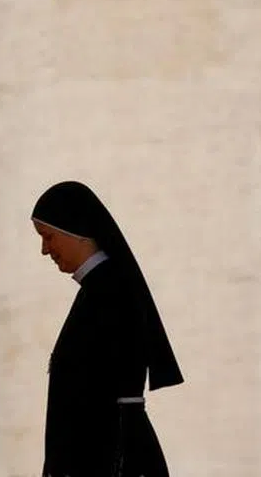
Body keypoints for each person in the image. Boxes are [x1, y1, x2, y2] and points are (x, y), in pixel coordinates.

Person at [31, 180, 183, 477]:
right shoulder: (99, 288)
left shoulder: (111, 290)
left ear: (74, 232)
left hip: (111, 459)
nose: (44, 250)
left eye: (48, 237)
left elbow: (101, 399)